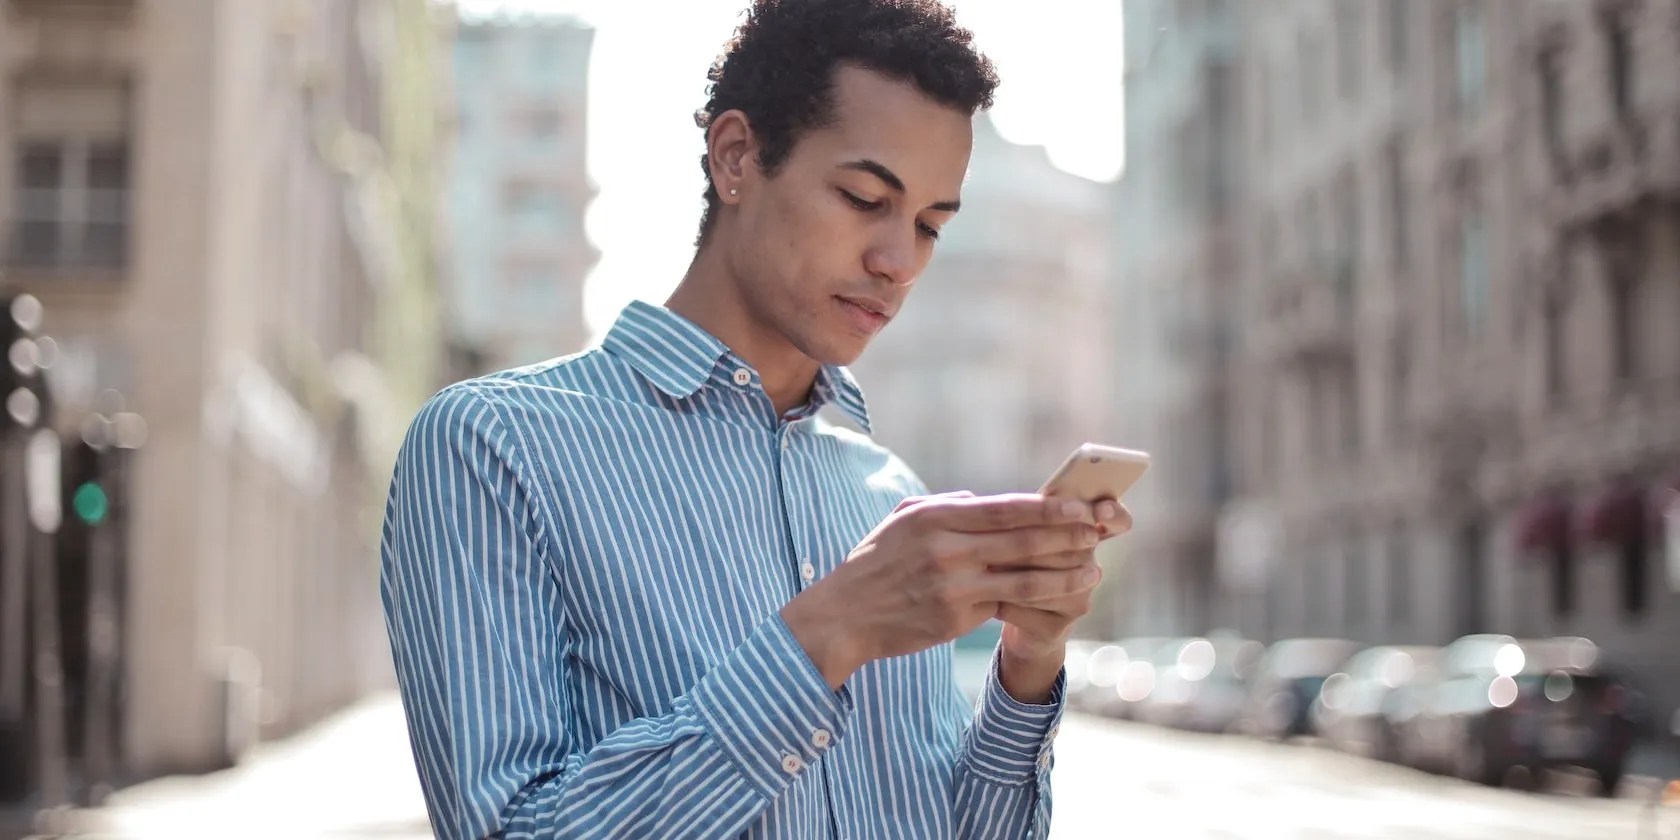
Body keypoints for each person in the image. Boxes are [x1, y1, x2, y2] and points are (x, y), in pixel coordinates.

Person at [380, 1, 1132, 837]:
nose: (898, 262)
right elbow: (508, 828)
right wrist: (829, 632)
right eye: (863, 198)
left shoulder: (889, 492)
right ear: (737, 155)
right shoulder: (495, 446)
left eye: (929, 226)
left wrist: (1029, 663)